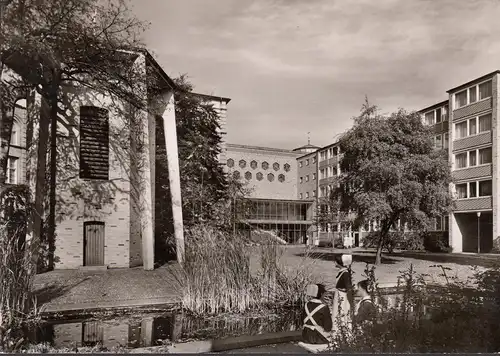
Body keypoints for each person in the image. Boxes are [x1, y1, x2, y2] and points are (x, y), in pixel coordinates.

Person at [332, 254, 354, 324]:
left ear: (339, 262)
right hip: (339, 296)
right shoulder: (342, 272)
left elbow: (349, 288)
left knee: (342, 313)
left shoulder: (345, 273)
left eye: (335, 261)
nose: (334, 262)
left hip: (343, 297)